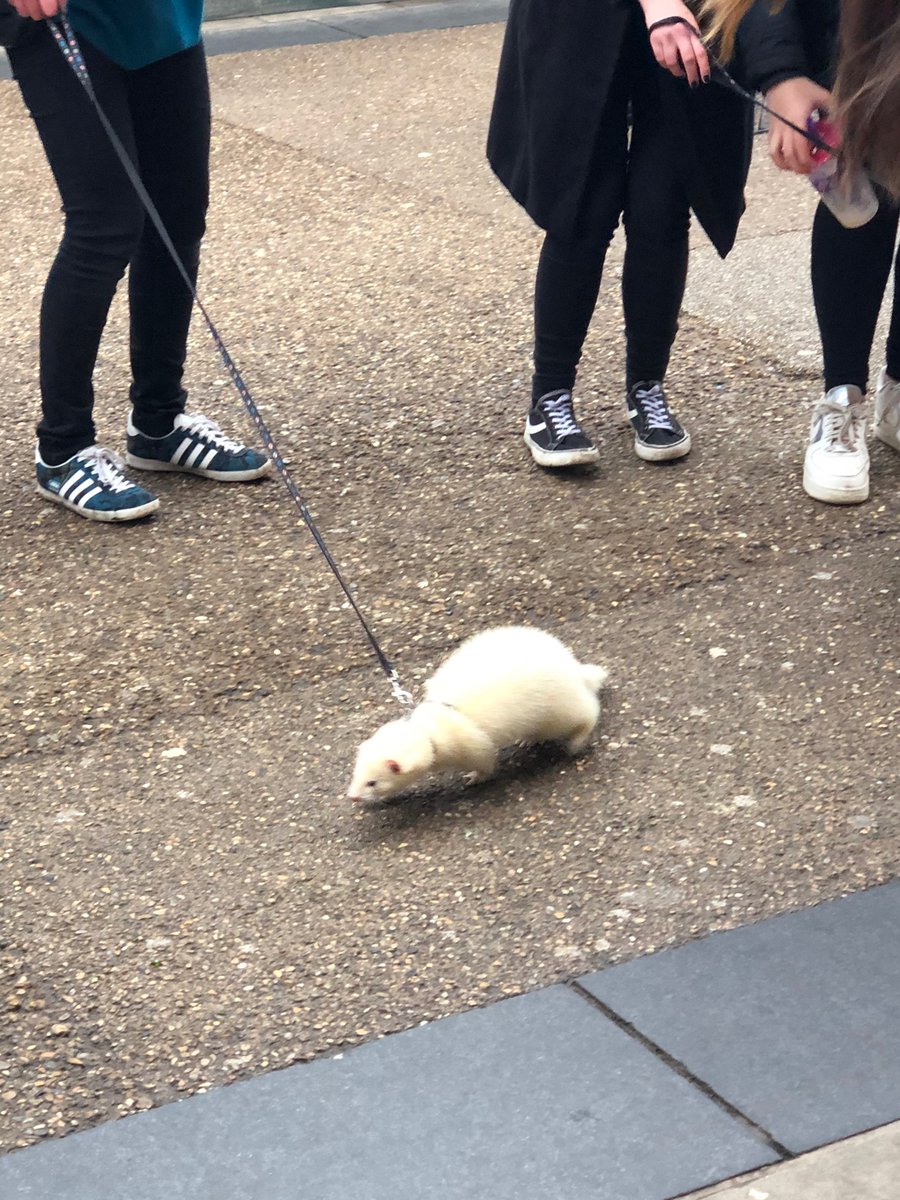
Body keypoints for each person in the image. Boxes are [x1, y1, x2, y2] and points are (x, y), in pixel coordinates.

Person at [1, 0, 271, 522]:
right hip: (66, 19)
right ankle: (62, 450)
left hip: (165, 21)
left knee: (178, 218)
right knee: (104, 228)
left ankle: (158, 423)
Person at [487, 0, 753, 470]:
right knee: (583, 206)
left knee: (664, 203)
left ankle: (647, 386)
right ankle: (549, 397)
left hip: (694, 12)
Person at [705, 0, 900, 504]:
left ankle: (897, 390)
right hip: (856, 48)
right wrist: (781, 75)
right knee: (860, 205)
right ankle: (843, 399)